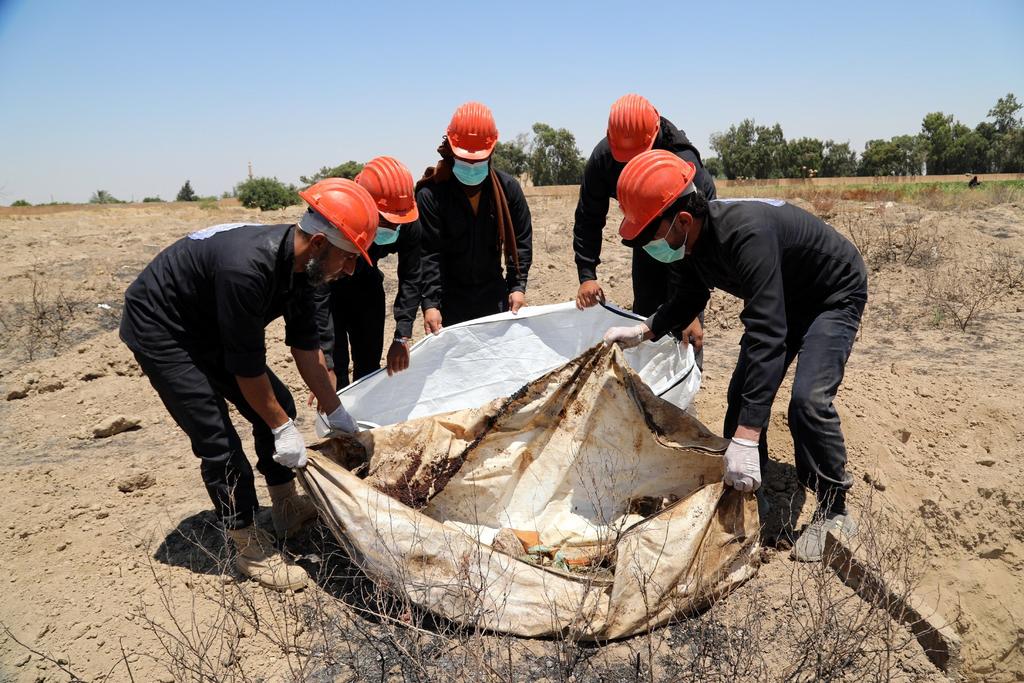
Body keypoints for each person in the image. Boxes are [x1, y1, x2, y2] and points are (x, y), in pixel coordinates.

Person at [603, 150, 868, 562]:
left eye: (650, 236)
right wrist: (645, 329)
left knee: (808, 402)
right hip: (785, 295)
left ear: (683, 221)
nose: (648, 246)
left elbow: (769, 332)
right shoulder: (691, 244)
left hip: (830, 297)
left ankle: (835, 509)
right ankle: (749, 498)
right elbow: (688, 295)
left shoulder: (746, 235)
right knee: (740, 396)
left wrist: (747, 435)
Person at [119, 178, 378, 591]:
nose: (349, 270)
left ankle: (285, 506)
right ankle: (247, 543)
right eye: (348, 258)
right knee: (218, 438)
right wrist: (280, 429)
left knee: (281, 404)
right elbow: (246, 366)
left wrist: (336, 410)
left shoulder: (306, 273)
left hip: (209, 322)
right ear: (318, 245)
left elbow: (306, 348)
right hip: (162, 326)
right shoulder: (247, 269)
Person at [574, 94, 716, 361]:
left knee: (687, 334)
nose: (633, 167)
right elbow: (588, 217)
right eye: (625, 161)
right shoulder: (604, 157)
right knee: (645, 319)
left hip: (687, 250)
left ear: (654, 139)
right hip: (646, 242)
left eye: (638, 157)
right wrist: (587, 274)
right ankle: (645, 388)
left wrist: (689, 311)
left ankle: (681, 397)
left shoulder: (684, 161)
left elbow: (703, 239)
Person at [416, 101, 533, 332]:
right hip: (449, 300)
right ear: (450, 149)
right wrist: (430, 304)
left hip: (494, 294)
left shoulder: (508, 190)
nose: (471, 166)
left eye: (478, 160)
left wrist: (517, 287)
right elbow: (428, 253)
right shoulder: (431, 195)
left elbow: (521, 241)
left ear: (492, 151)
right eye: (465, 160)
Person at [315, 156, 421, 388]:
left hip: (366, 286)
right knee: (336, 372)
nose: (394, 227)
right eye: (386, 220)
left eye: (398, 221)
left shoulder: (406, 217)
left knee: (368, 369)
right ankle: (338, 420)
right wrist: (327, 362)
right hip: (330, 292)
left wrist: (402, 335)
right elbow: (317, 290)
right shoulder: (335, 214)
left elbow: (412, 276)